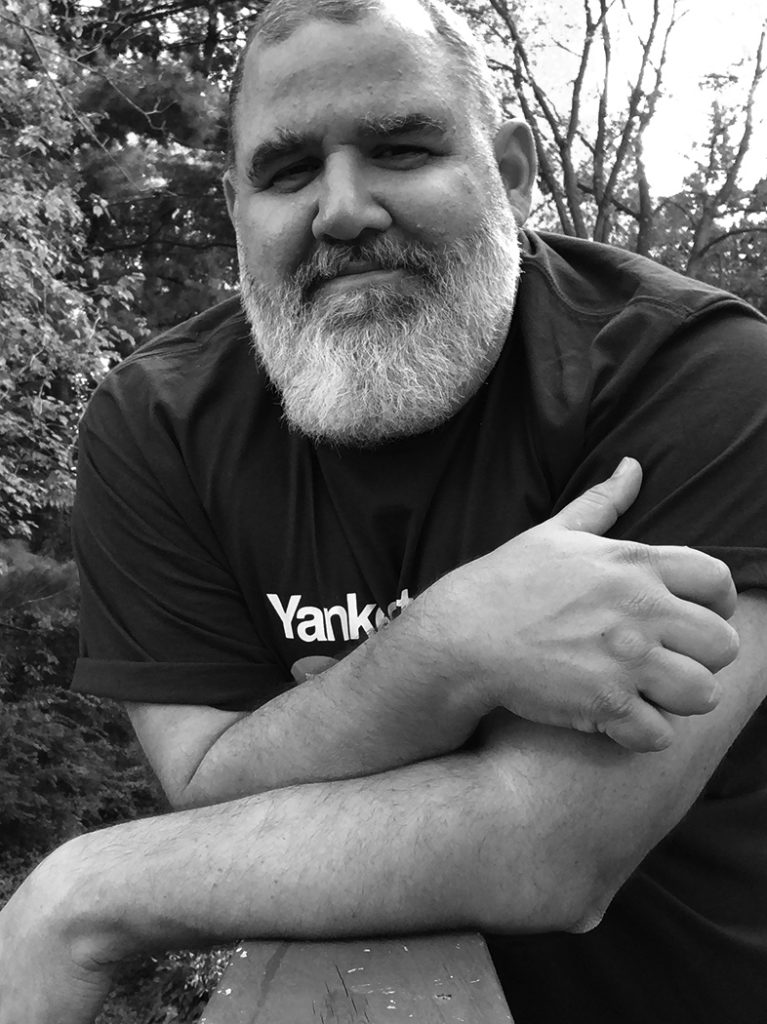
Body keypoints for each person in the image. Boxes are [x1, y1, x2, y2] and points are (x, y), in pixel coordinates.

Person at [2, 1, 767, 1021]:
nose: (342, 209)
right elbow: (208, 785)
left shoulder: (701, 376)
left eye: (401, 148)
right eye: (286, 172)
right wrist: (452, 648)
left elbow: (546, 851)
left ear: (513, 171)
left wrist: (79, 893)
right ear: (235, 207)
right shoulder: (157, 422)